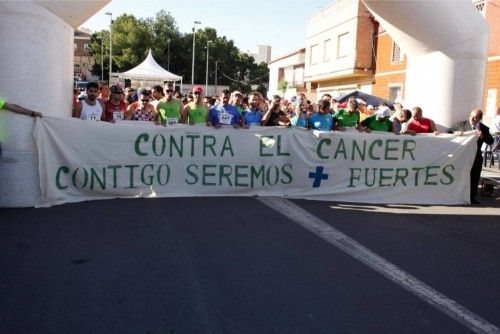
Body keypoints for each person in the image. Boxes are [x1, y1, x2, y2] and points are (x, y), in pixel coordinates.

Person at [448, 109, 494, 204]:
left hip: (475, 157)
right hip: (462, 156)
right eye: (471, 116)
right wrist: (456, 134)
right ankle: (457, 195)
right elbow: (449, 132)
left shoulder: (484, 128)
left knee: (474, 176)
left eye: (475, 117)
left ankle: (472, 197)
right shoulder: (461, 125)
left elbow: (491, 141)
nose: (472, 118)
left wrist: (483, 136)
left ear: (480, 119)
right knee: (460, 175)